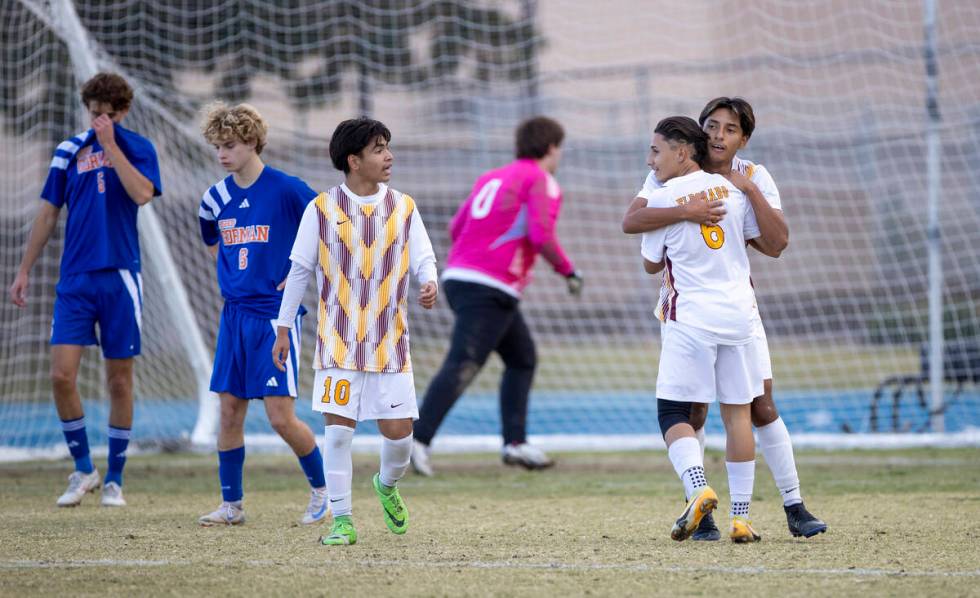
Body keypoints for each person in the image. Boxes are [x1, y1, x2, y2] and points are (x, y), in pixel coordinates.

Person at [623, 97, 826, 540]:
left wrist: (745, 188)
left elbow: (776, 244)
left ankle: (793, 504)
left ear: (744, 139)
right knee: (698, 410)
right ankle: (715, 516)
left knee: (759, 406)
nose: (717, 135)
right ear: (695, 137)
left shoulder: (751, 178)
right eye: (711, 125)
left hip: (723, 312)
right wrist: (687, 211)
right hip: (718, 309)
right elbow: (634, 216)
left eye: (729, 129)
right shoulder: (669, 170)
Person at [273, 117, 438, 546]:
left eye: (387, 146)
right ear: (354, 160)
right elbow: (300, 270)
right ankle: (342, 522)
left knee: (400, 436)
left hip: (389, 342)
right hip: (338, 341)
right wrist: (283, 327)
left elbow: (424, 255)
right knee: (339, 432)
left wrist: (429, 280)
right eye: (379, 148)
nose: (389, 156)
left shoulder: (403, 206)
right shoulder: (322, 209)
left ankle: (386, 485)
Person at [9, 73, 161, 508]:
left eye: (109, 116)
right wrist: (24, 270)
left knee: (118, 379)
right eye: (95, 115)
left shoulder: (137, 148)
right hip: (75, 280)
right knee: (60, 375)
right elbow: (48, 213)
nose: (100, 121)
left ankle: (114, 478)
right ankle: (83, 469)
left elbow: (143, 194)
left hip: (120, 277)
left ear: (123, 113)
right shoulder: (68, 151)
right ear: (86, 109)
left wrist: (111, 146)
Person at [410, 116, 582, 476]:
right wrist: (568, 270)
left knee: (522, 358)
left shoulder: (491, 176)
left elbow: (456, 227)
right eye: (559, 148)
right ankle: (416, 440)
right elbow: (540, 234)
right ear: (551, 148)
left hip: (460, 277)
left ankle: (514, 443)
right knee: (463, 362)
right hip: (491, 285)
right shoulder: (542, 180)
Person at [196, 102, 326, 527]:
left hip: (275, 316)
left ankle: (324, 494)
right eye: (217, 147)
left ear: (252, 141)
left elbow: (328, 224)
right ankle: (231, 505)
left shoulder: (287, 189)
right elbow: (213, 242)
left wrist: (299, 272)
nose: (221, 155)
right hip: (234, 317)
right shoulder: (213, 199)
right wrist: (236, 276)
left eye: (229, 145)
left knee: (279, 416)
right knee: (229, 410)